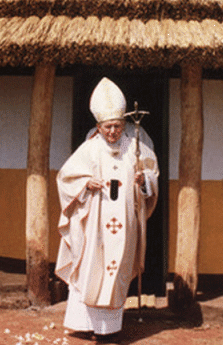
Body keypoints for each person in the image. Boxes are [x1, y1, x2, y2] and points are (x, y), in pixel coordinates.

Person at [54, 77, 159, 340]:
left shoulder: (136, 148)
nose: (113, 131)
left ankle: (108, 329)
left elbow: (152, 176)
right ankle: (85, 324)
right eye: (108, 126)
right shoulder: (89, 149)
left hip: (125, 222)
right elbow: (65, 178)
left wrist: (144, 181)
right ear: (98, 127)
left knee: (117, 270)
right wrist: (85, 183)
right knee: (90, 269)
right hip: (94, 223)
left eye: (117, 126)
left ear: (124, 125)